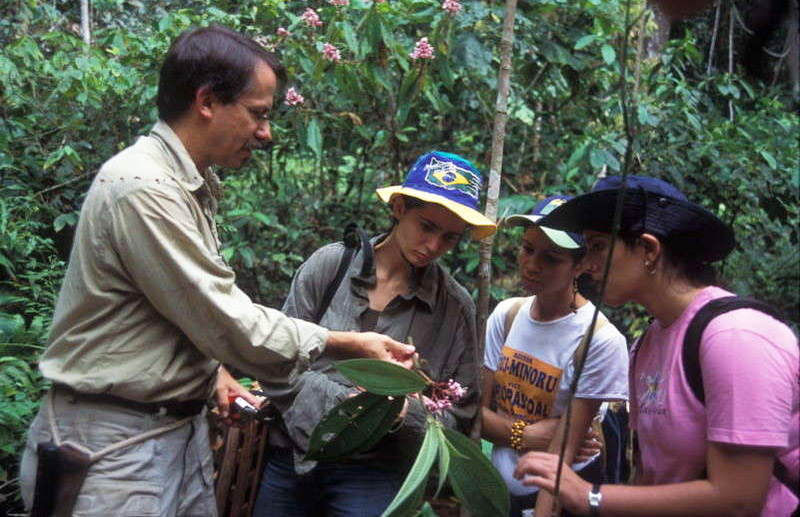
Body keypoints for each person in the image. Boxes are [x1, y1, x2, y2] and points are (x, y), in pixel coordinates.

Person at [19, 25, 414, 516]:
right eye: (258, 114)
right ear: (206, 100)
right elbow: (226, 320)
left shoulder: (186, 185)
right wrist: (342, 342)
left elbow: (169, 315)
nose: (266, 133)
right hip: (114, 447)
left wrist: (211, 377)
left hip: (168, 440)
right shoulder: (144, 187)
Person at [515, 175, 799, 516]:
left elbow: (740, 498)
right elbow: (653, 475)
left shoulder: (737, 337)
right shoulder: (647, 345)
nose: (587, 266)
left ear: (649, 249)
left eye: (598, 247)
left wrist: (592, 497)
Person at [253, 151, 497, 517]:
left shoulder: (454, 308)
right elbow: (278, 359)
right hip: (293, 458)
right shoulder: (330, 267)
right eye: (426, 226)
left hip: (374, 475)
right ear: (399, 207)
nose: (433, 246)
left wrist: (402, 414)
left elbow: (458, 413)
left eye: (449, 237)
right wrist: (355, 407)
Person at [481, 196, 629, 517]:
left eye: (551, 257)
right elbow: (472, 414)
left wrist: (502, 427)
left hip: (560, 498)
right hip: (496, 489)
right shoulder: (507, 316)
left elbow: (563, 453)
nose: (532, 264)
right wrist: (528, 434)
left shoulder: (599, 340)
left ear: (581, 265)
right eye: (528, 249)